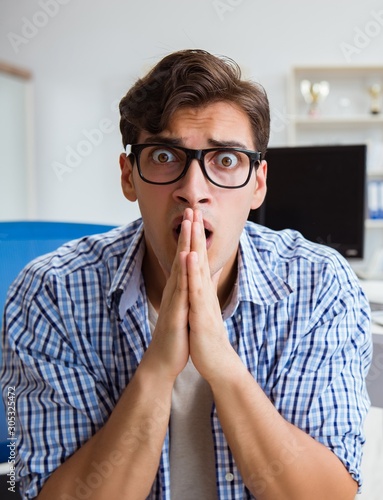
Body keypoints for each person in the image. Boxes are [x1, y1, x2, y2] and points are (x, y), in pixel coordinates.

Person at [1, 49, 372, 500]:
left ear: (258, 184)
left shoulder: (319, 285)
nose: (193, 191)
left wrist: (221, 364)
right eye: (163, 155)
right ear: (128, 176)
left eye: (226, 160)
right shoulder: (50, 293)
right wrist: (158, 369)